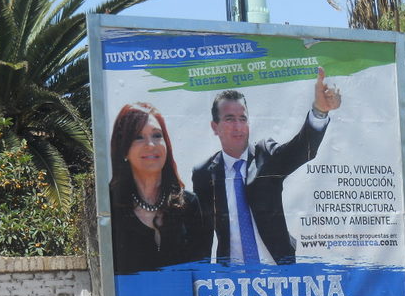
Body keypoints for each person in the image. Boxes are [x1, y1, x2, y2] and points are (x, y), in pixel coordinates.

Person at [192, 67, 342, 264]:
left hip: (278, 272)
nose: (238, 126)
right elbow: (202, 236)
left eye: (242, 119)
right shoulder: (204, 173)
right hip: (231, 280)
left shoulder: (266, 155)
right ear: (215, 127)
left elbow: (301, 150)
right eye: (229, 119)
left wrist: (320, 112)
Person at [109, 102, 204, 274]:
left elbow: (199, 275)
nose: (150, 145)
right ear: (123, 149)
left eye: (157, 135)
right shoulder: (109, 206)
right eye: (138, 137)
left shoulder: (189, 204)